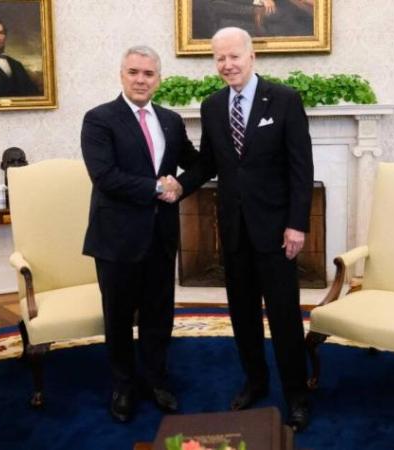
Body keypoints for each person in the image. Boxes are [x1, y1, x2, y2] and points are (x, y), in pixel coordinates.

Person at [174, 27, 314, 431]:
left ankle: (296, 393)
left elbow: (300, 169)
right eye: (219, 58)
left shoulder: (285, 99)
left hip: (276, 231)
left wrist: (296, 224)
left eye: (234, 56)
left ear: (252, 56)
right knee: (243, 314)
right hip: (233, 231)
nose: (227, 64)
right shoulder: (212, 106)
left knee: (285, 316)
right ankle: (255, 381)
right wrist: (179, 185)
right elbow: (210, 164)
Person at [81, 45, 198, 423]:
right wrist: (157, 188)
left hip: (160, 236)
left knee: (158, 314)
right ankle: (123, 385)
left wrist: (182, 185)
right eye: (134, 72)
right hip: (116, 238)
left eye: (148, 74)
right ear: (122, 74)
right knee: (117, 316)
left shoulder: (171, 120)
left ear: (158, 79)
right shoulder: (99, 119)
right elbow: (105, 176)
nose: (141, 80)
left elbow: (194, 165)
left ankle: (156, 379)